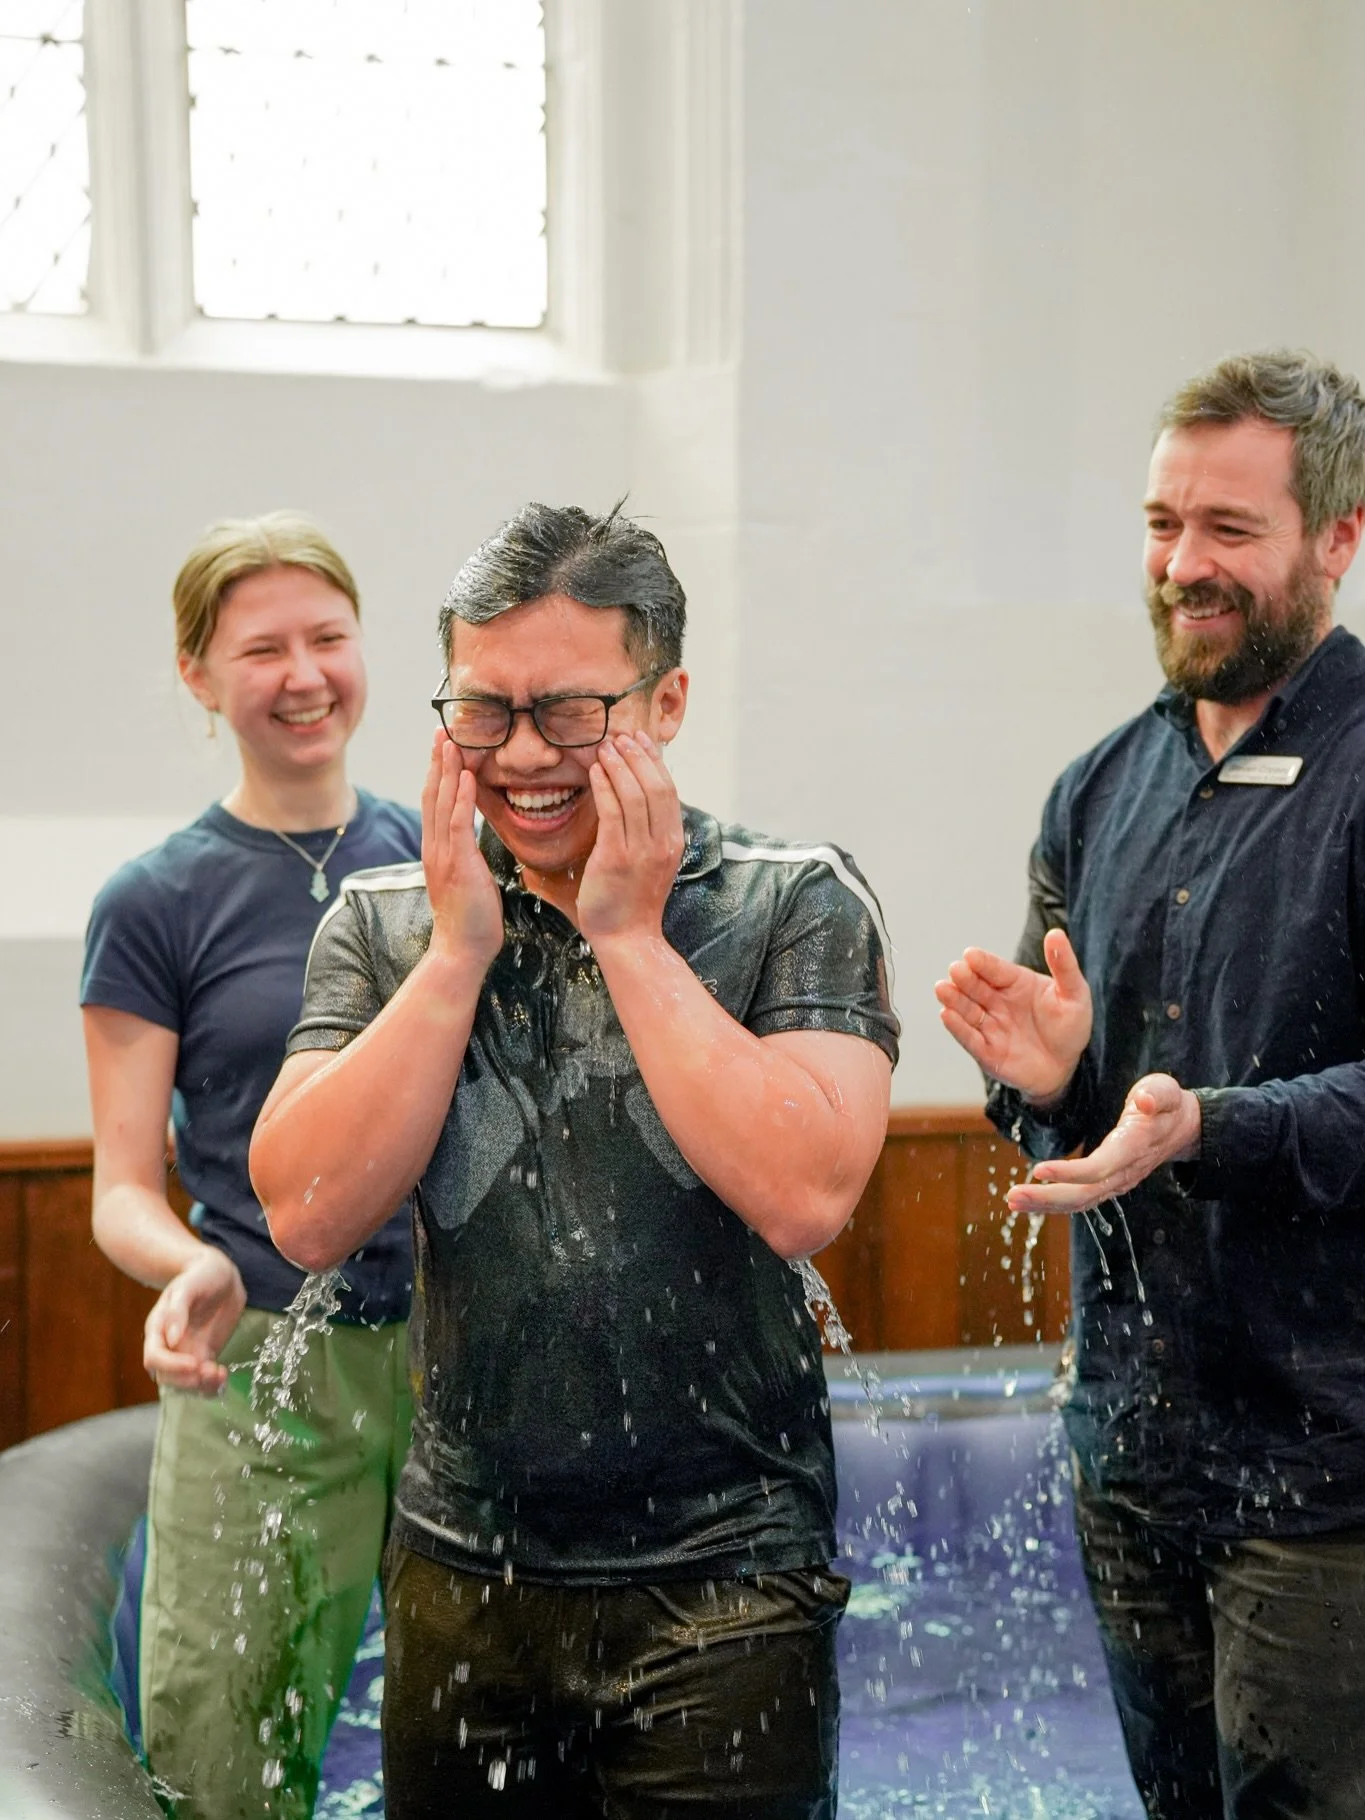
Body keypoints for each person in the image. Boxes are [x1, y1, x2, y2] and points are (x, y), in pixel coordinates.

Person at [249, 501, 899, 1819]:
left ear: (664, 702)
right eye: (481, 713)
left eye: (570, 713)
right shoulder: (387, 924)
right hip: (464, 1570)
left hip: (728, 1578)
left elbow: (805, 1193)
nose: (522, 757)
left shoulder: (793, 899)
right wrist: (452, 959)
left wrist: (634, 939)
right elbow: (306, 1217)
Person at [936, 350, 1365, 1818]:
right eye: (1161, 524)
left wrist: (1211, 1128)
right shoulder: (1095, 790)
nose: (1184, 565)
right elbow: (1060, 1099)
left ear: (1340, 538)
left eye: (1230, 531)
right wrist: (1055, 1083)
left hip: (1329, 1470)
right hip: (1129, 1444)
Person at [81, 512, 421, 1820]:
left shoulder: (444, 865)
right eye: (262, 648)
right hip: (270, 1354)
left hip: (462, 1356)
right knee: (226, 1752)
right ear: (198, 675)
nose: (305, 674)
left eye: (328, 638)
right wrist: (193, 1266)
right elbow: (121, 1188)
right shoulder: (157, 902)